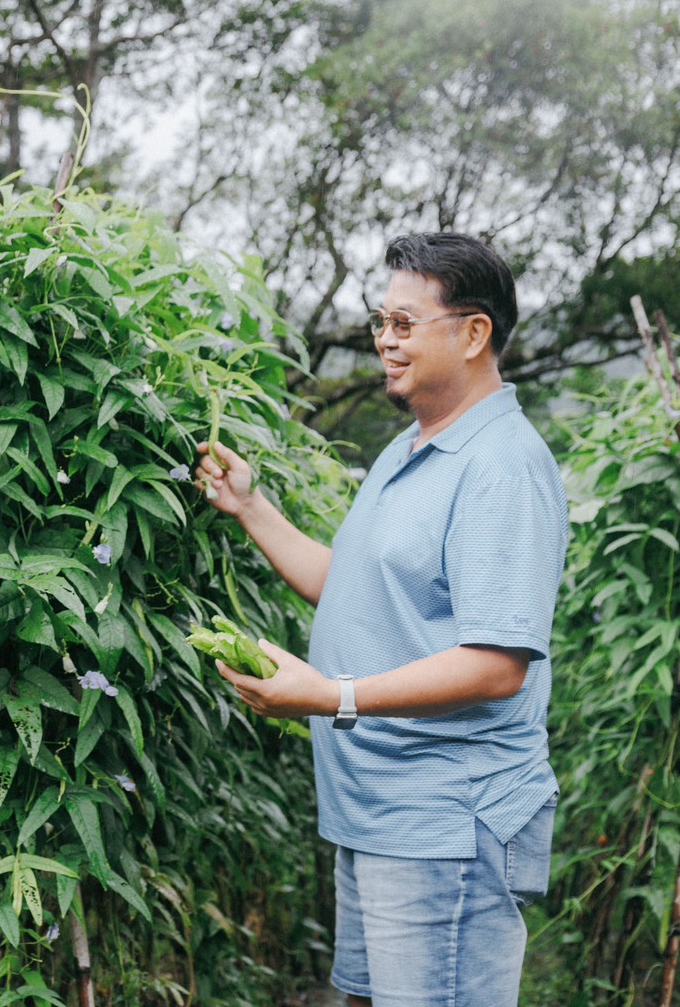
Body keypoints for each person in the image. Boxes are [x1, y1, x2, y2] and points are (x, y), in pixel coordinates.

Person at [197, 233, 568, 1007]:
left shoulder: (499, 465)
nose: (384, 340)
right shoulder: (412, 447)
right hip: (380, 814)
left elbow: (497, 664)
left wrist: (331, 695)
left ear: (473, 334)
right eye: (380, 321)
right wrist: (250, 506)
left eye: (404, 323)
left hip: (444, 826)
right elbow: (357, 587)